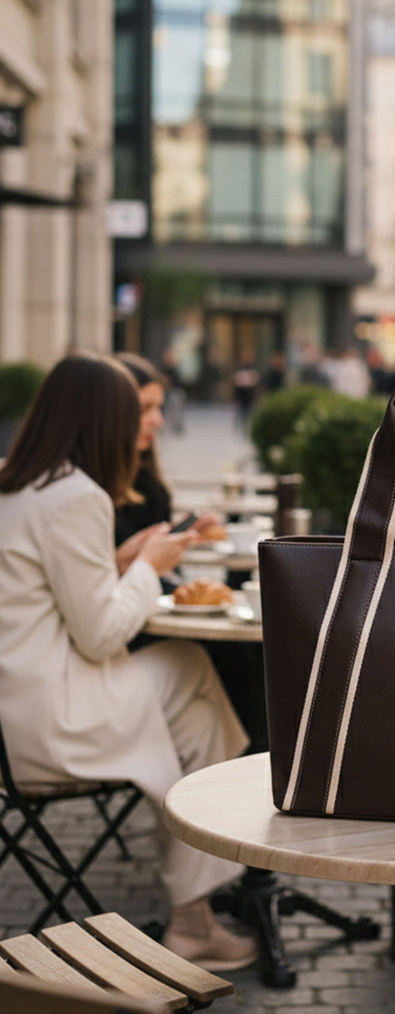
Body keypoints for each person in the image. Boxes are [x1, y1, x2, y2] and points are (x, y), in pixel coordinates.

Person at [0, 353, 256, 969]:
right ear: (102, 422)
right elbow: (101, 632)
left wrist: (122, 560)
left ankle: (197, 894)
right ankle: (200, 898)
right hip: (52, 720)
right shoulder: (77, 495)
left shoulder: (18, 482)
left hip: (14, 713)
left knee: (191, 687)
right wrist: (150, 568)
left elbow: (51, 592)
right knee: (193, 671)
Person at [114, 353, 220, 569]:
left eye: (159, 408)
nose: (158, 421)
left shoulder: (144, 474)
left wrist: (179, 532)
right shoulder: (85, 493)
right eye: (145, 409)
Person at [232, 350, 260, 430]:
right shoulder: (240, 370)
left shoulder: (253, 369)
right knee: (241, 411)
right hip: (242, 393)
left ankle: (248, 425)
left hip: (249, 393)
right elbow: (237, 383)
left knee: (250, 410)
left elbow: (255, 381)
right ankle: (240, 426)